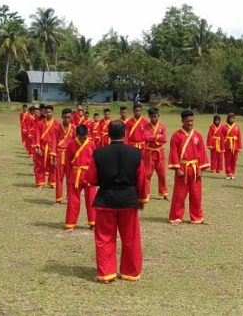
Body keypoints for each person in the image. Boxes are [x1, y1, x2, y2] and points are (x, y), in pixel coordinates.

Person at [85, 120, 148, 283]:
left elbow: (91, 179)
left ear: (108, 133)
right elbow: (142, 179)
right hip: (128, 200)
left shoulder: (99, 153)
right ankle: (131, 273)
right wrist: (141, 199)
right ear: (125, 133)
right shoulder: (135, 153)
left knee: (105, 238)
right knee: (131, 238)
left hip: (106, 200)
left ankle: (106, 273)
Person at [167, 110, 210, 224]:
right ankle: (176, 217)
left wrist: (200, 168)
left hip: (195, 168)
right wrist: (177, 168)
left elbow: (202, 153)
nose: (190, 123)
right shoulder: (176, 136)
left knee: (196, 194)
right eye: (187, 121)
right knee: (179, 195)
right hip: (183, 168)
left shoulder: (198, 135)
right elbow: (174, 153)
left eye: (191, 121)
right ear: (182, 121)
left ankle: (197, 217)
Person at [64, 125, 96, 231]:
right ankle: (70, 223)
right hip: (76, 174)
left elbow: (95, 162)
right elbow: (68, 163)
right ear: (77, 135)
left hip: (89, 175)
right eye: (81, 137)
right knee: (73, 200)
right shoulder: (71, 145)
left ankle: (93, 222)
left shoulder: (92, 144)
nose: (83, 138)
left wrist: (95, 176)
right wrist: (69, 177)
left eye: (85, 136)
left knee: (91, 199)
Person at [142, 107, 169, 199]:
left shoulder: (162, 126)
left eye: (155, 116)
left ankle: (164, 193)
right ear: (149, 117)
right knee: (147, 174)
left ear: (158, 115)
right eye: (152, 117)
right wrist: (158, 136)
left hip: (160, 153)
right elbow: (146, 137)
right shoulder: (146, 127)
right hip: (149, 153)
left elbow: (164, 139)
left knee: (162, 174)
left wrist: (153, 137)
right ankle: (146, 193)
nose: (154, 118)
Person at [32, 106, 58, 188]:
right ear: (44, 113)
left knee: (53, 165)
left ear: (53, 112)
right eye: (47, 112)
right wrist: (37, 146)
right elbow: (37, 135)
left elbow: (58, 137)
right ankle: (40, 182)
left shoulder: (57, 124)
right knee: (39, 165)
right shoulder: (40, 123)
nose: (48, 114)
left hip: (52, 147)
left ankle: (52, 182)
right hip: (42, 147)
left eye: (50, 112)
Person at [55, 108, 75, 204]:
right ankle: (58, 198)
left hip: (70, 155)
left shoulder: (74, 128)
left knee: (70, 178)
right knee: (59, 177)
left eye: (68, 117)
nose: (67, 119)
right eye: (65, 117)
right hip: (59, 153)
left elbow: (76, 142)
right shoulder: (57, 127)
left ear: (71, 117)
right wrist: (53, 156)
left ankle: (69, 197)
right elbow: (54, 141)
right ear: (61, 117)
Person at [222, 113, 242, 180]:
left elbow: (239, 137)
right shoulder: (224, 127)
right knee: (227, 160)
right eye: (230, 118)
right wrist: (223, 146)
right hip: (227, 145)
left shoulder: (237, 127)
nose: (232, 119)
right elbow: (222, 137)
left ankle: (232, 173)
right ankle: (228, 173)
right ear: (228, 119)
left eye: (233, 118)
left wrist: (239, 147)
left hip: (235, 145)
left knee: (234, 160)